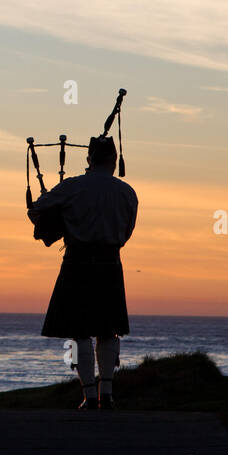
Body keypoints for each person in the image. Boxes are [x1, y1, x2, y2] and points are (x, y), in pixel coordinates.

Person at [27, 135, 138, 410]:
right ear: (114, 160)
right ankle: (108, 395)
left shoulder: (72, 187)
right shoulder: (127, 192)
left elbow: (36, 209)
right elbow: (127, 232)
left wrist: (64, 221)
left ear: (89, 159)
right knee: (109, 330)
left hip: (77, 262)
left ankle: (89, 396)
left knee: (79, 332)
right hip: (111, 263)